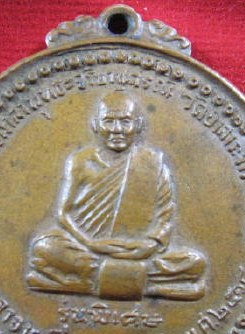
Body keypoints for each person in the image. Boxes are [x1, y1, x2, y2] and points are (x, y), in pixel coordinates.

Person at [26, 92, 208, 301]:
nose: (117, 129)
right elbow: (63, 213)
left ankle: (84, 282)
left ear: (138, 125)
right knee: (44, 247)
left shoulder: (152, 164)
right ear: (95, 125)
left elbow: (165, 216)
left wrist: (152, 245)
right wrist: (90, 243)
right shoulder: (81, 160)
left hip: (137, 251)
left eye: (125, 121)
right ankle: (147, 283)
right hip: (86, 248)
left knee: (194, 262)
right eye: (108, 121)